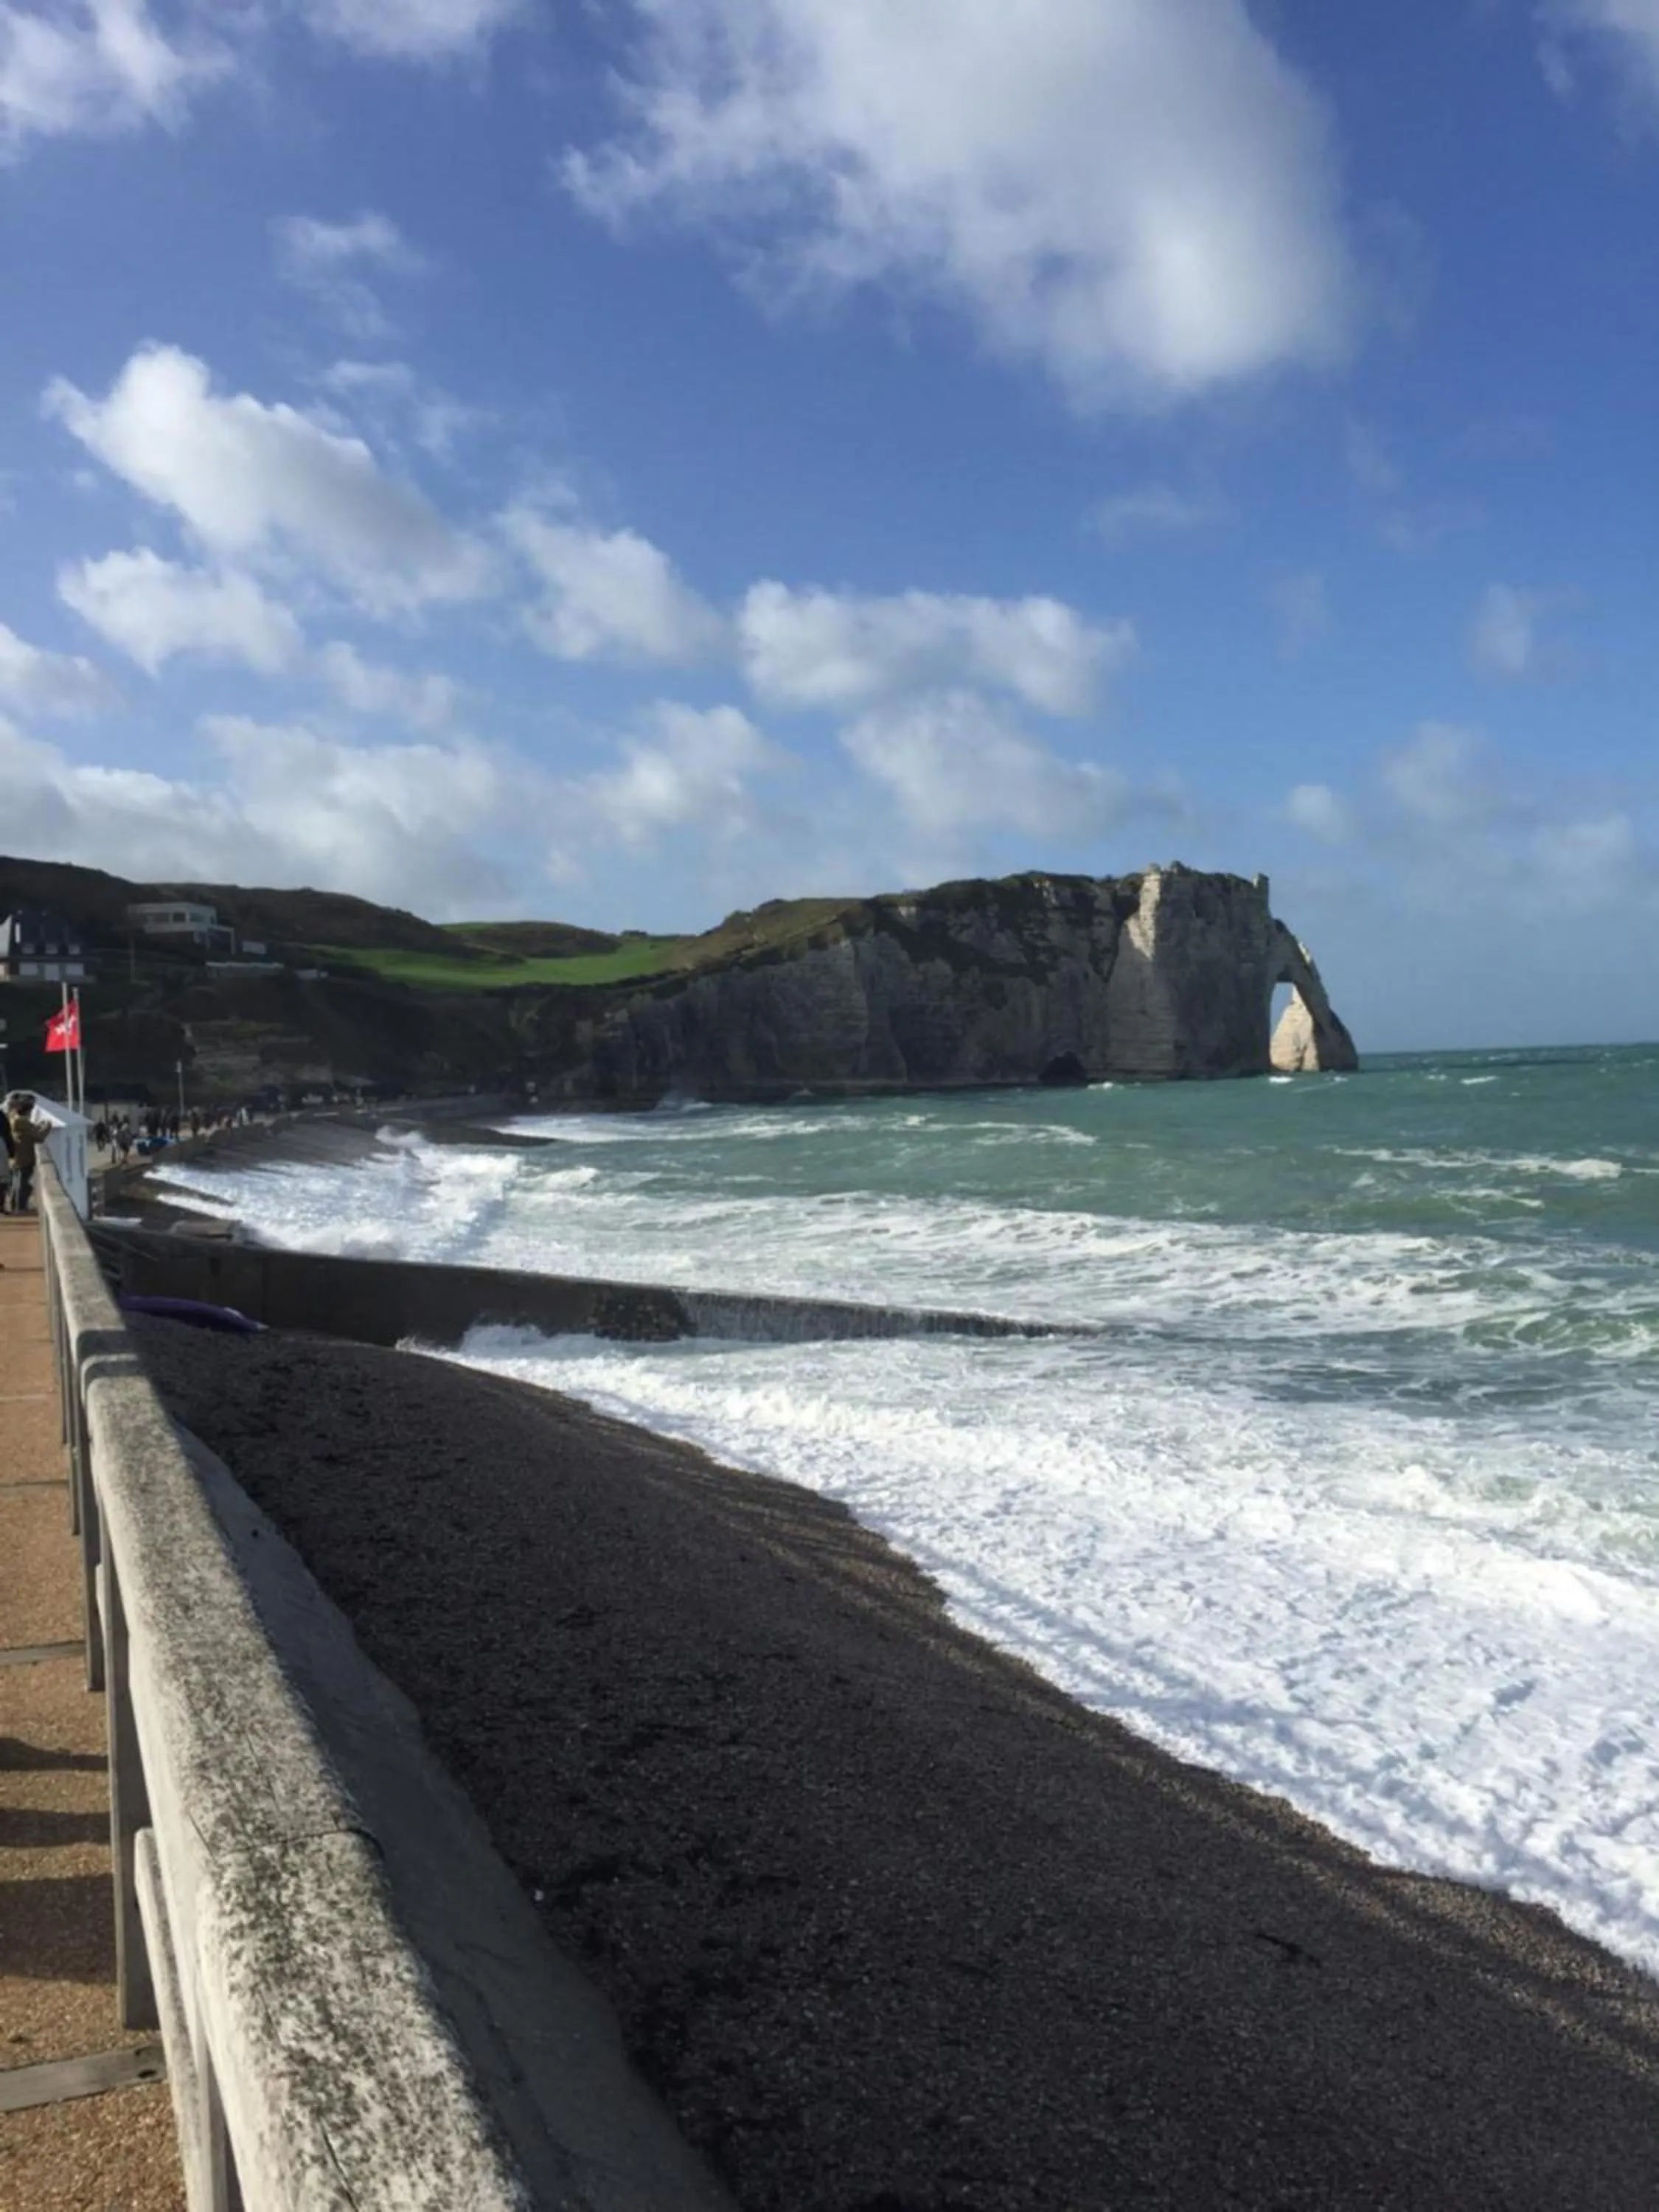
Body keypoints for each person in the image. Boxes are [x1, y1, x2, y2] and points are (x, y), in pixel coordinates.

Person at [8, 1094, 48, 1214]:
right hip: (24, 1158)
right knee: (22, 1184)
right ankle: (20, 1208)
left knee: (17, 1183)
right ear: (28, 1112)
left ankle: (15, 1206)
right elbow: (39, 1137)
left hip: (16, 1158)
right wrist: (47, 1126)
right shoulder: (22, 1123)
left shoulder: (14, 1120)